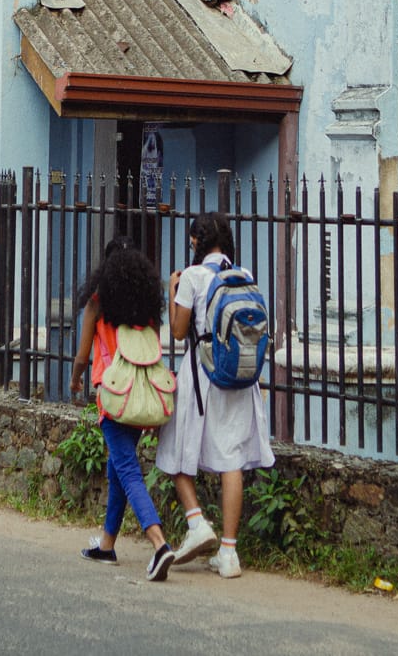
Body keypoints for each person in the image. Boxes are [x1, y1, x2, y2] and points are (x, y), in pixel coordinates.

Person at [155, 212, 274, 578]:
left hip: (203, 373)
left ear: (197, 241)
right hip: (239, 375)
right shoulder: (244, 275)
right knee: (231, 458)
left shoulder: (192, 277)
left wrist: (172, 291)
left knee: (173, 447)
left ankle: (196, 522)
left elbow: (177, 332)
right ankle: (229, 552)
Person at [69, 235, 176, 582]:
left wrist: (75, 379)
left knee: (128, 472)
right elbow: (153, 352)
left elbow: (84, 354)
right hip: (143, 397)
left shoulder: (98, 304)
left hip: (114, 398)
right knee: (118, 469)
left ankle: (159, 544)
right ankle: (106, 545)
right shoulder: (147, 310)